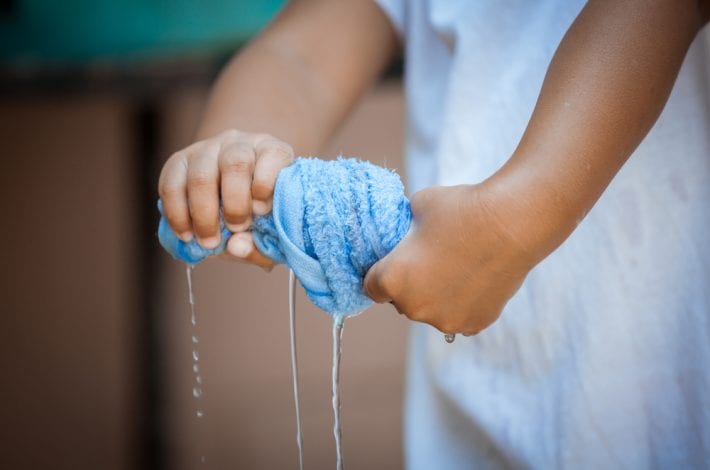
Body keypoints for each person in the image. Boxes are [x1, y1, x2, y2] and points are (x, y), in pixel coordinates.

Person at [158, 0, 710, 467]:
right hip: (469, 411)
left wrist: (521, 218)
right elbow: (303, 51)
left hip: (675, 400)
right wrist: (239, 154)